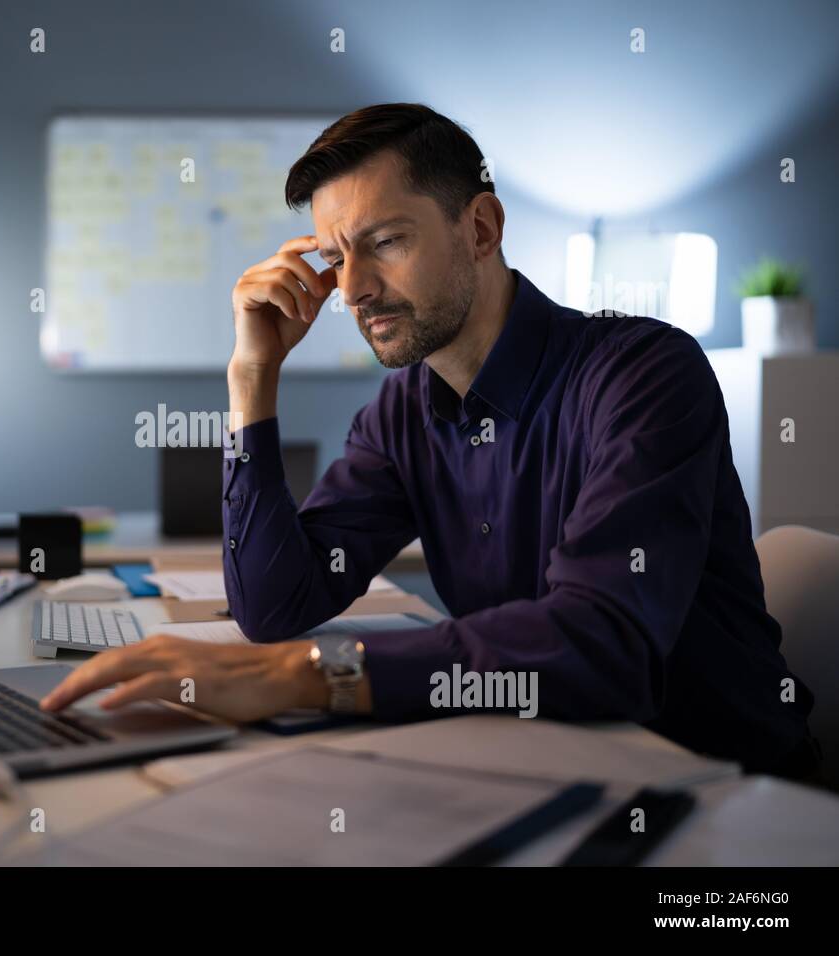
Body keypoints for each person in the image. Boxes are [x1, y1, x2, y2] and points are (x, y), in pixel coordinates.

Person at [42, 103, 818, 778]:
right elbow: (276, 604)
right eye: (335, 256)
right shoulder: (402, 413)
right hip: (541, 759)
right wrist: (253, 377)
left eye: (385, 242)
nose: (352, 289)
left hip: (714, 787)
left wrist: (309, 674)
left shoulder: (643, 371)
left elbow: (603, 642)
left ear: (480, 227)